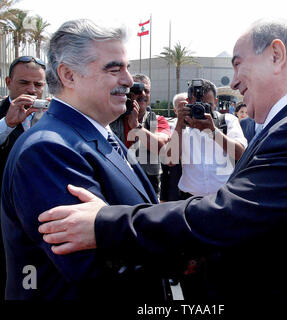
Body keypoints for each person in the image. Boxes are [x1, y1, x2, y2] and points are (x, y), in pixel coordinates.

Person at [38, 19, 287, 305]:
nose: (233, 82)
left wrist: (105, 223)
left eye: (238, 65)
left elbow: (230, 214)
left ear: (276, 55)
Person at [1, 19, 165, 300]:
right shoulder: (49, 151)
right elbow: (95, 269)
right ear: (69, 75)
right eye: (114, 69)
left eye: (127, 68)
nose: (128, 80)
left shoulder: (97, 134)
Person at [0, 55, 46, 300]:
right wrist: (7, 124)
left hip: (37, 219)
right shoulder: (2, 114)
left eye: (38, 85)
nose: (31, 90)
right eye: (24, 83)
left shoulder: (51, 116)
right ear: (8, 82)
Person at [167, 79, 247, 199]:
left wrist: (213, 131)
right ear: (188, 103)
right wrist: (180, 124)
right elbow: (170, 161)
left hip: (224, 197)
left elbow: (241, 154)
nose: (202, 110)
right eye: (197, 105)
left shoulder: (227, 121)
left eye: (207, 105)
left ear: (215, 102)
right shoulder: (178, 125)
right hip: (190, 198)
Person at [110, 74, 170, 197]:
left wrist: (136, 126)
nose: (142, 94)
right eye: (137, 90)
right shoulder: (111, 118)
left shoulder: (158, 120)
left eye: (146, 91)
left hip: (148, 182)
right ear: (127, 93)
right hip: (117, 180)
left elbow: (162, 148)